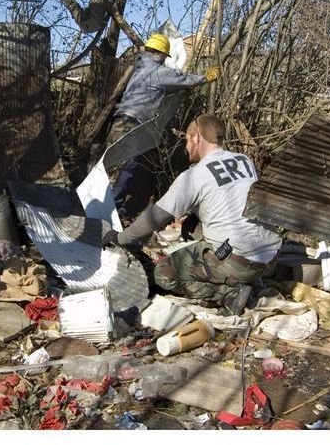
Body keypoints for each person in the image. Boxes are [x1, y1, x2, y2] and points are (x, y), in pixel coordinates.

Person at [102, 114, 282, 315]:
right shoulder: (244, 160)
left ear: (197, 138)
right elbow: (233, 199)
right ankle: (251, 280)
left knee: (163, 273)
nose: (186, 147)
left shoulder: (193, 176)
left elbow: (156, 216)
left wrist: (120, 238)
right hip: (271, 257)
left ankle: (229, 295)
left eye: (187, 140)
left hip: (240, 262)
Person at [106, 33, 220, 219]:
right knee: (129, 166)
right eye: (164, 56)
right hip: (133, 125)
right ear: (159, 53)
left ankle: (116, 207)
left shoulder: (139, 67)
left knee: (128, 165)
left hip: (121, 121)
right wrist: (205, 78)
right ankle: (111, 208)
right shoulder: (156, 71)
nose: (164, 60)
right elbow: (182, 79)